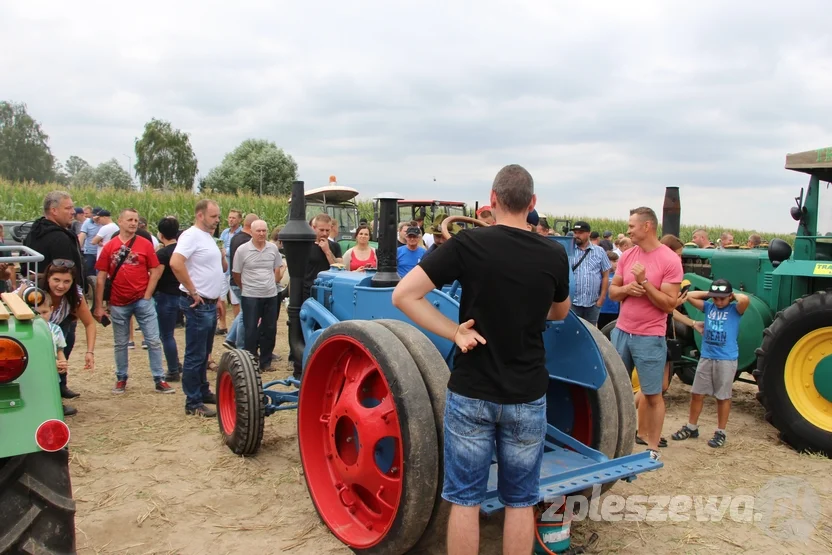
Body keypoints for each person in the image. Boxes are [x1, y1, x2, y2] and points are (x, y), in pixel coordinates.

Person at [392, 164, 571, 555]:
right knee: (521, 500)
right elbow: (559, 313)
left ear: (492, 201)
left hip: (472, 392)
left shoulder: (468, 244)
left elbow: (403, 295)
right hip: (526, 393)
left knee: (465, 500)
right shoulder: (555, 253)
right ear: (533, 203)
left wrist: (454, 331)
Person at [608, 207, 683, 459]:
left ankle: (651, 447)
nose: (628, 230)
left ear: (647, 226)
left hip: (650, 337)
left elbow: (669, 304)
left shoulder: (670, 260)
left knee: (652, 394)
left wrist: (645, 283)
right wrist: (629, 287)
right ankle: (616, 444)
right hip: (622, 332)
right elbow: (613, 293)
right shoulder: (628, 255)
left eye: (632, 226)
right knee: (616, 391)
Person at [95, 208, 169, 394]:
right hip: (119, 302)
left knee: (153, 340)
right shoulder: (109, 247)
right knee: (121, 343)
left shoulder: (145, 245)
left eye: (136, 220)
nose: (134, 223)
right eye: (129, 219)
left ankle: (159, 378)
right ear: (120, 221)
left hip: (142, 301)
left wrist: (148, 294)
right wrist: (98, 305)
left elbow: (155, 270)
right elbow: (101, 278)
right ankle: (121, 378)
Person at [672, 279, 749, 448]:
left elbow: (744, 300)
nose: (719, 302)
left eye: (722, 299)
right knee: (697, 393)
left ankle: (721, 431)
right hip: (707, 356)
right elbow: (689, 296)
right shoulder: (709, 307)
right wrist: (711, 294)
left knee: (722, 396)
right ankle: (692, 427)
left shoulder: (734, 310)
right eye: (716, 298)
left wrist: (730, 295)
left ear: (729, 297)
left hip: (726, 358)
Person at [16, 259, 97, 416]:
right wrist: (21, 292)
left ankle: (56, 396)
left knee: (59, 364)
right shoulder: (33, 292)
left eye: (67, 281)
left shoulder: (75, 297)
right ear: (48, 278)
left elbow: (90, 324)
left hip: (57, 329)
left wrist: (90, 352)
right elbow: (10, 302)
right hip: (30, 332)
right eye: (56, 280)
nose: (61, 286)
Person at [169, 199, 226, 417]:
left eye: (218, 216)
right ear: (200, 215)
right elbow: (176, 262)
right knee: (195, 354)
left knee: (204, 352)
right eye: (213, 216)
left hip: (209, 303)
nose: (217, 220)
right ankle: (192, 402)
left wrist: (218, 298)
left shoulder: (207, 237)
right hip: (198, 303)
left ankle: (202, 391)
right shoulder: (191, 235)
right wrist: (193, 290)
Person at [232, 220, 283, 371]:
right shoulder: (242, 250)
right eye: (258, 231)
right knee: (251, 329)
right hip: (250, 295)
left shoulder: (273, 248)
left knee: (270, 328)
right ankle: (251, 360)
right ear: (252, 232)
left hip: (270, 294)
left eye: (264, 231)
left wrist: (272, 283)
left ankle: (266, 361)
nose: (261, 234)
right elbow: (236, 273)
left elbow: (277, 268)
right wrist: (245, 287)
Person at [23, 191, 85, 287]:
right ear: (54, 210)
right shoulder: (61, 239)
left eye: (72, 207)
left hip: (33, 292)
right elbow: (67, 275)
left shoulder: (33, 233)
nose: (73, 212)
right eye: (68, 208)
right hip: (56, 298)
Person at [154, 217, 183, 382]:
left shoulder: (162, 253)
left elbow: (156, 276)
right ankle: (177, 365)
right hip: (183, 295)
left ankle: (173, 369)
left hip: (166, 296)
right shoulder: (182, 250)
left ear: (160, 234)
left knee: (167, 335)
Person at [569, 221, 612, 327]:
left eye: (580, 232)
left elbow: (605, 276)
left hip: (592, 303)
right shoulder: (568, 251)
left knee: (591, 331)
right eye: (575, 232)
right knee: (572, 330)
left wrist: (601, 298)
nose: (577, 235)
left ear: (589, 233)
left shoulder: (599, 251)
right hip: (572, 303)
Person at [31, 294, 69, 375]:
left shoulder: (56, 330)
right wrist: (51, 363)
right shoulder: (28, 331)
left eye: (44, 312)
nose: (40, 316)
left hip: (52, 374)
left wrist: (62, 362)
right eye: (36, 313)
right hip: (35, 372)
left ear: (51, 309)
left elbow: (59, 349)